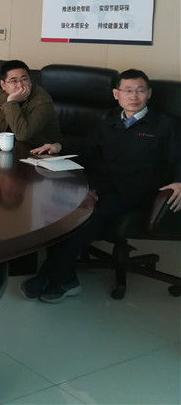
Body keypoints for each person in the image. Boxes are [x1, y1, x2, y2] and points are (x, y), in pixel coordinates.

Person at [22, 69, 181, 303]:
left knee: (86, 214)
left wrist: (179, 181)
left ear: (149, 93)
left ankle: (53, 276)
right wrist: (58, 147)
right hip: (103, 186)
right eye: (127, 91)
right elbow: (87, 150)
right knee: (61, 208)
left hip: (139, 192)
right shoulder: (109, 122)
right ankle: (64, 277)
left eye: (140, 90)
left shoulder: (166, 125)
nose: (134, 96)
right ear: (117, 94)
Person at [0, 59, 61, 147]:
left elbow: (23, 135)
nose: (20, 85)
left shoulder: (42, 101)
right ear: (3, 85)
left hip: (37, 153)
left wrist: (11, 102)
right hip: (7, 150)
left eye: (24, 79)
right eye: (14, 81)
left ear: (30, 81)